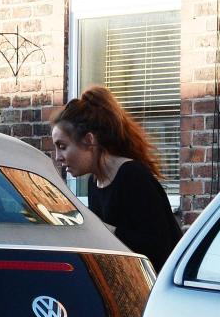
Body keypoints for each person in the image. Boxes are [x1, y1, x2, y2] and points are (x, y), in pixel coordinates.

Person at [51, 86, 181, 272]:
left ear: (89, 140)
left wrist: (102, 229)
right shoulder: (94, 183)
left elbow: (159, 247)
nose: (58, 157)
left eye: (62, 146)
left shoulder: (132, 176)